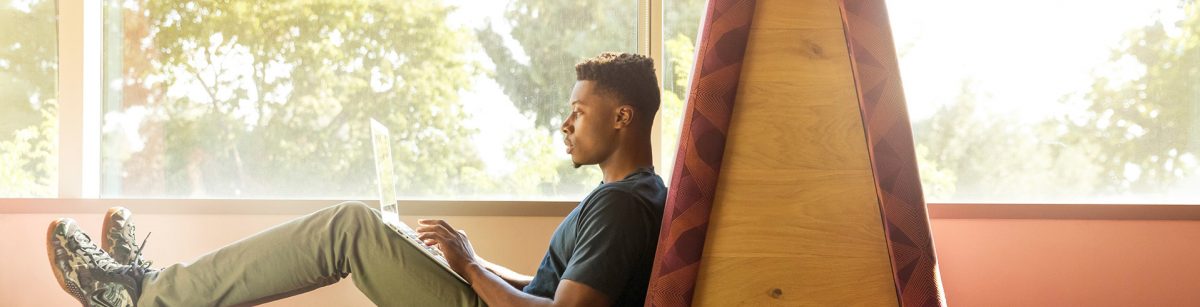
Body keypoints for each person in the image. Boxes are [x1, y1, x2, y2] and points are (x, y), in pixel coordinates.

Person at [45, 52, 667, 307]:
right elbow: (545, 290)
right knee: (366, 226)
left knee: (347, 225)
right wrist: (459, 257)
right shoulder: (628, 199)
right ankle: (151, 288)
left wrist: (472, 266)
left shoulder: (618, 206)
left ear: (622, 116)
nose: (564, 124)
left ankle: (143, 294)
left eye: (578, 113)